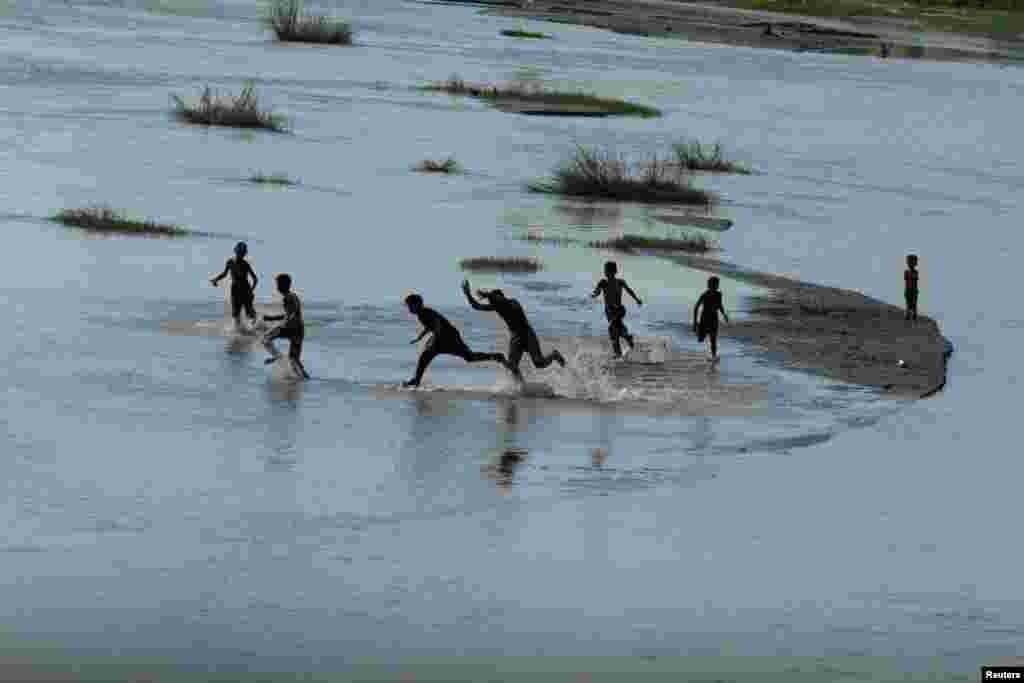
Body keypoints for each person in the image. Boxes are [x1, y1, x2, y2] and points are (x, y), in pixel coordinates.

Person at [462, 279, 566, 382]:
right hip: (516, 337)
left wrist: (489, 295)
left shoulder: (513, 302)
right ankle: (521, 385)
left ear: (501, 298)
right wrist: (468, 294)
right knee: (512, 366)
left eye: (495, 301)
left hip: (527, 334)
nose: (494, 305)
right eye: (493, 303)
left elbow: (502, 302)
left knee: (539, 363)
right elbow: (477, 306)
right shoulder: (497, 306)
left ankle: (554, 355)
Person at [403, 293, 506, 388]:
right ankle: (417, 380)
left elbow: (437, 322)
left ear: (417, 304)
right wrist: (419, 338)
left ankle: (496, 356)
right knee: (425, 356)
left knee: (469, 357)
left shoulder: (426, 312)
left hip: (449, 337)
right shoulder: (420, 315)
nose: (408, 309)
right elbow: (429, 327)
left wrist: (436, 336)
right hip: (442, 337)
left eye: (409, 306)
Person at [262, 273, 310, 379]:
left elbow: (290, 315)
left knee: (265, 338)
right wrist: (278, 320)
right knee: (294, 361)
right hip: (299, 330)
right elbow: (291, 313)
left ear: (283, 285)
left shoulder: (287, 298)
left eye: (277, 284)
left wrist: (274, 320)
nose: (276, 287)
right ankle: (305, 380)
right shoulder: (293, 296)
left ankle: (278, 357)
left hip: (291, 328)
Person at [592, 261, 643, 359]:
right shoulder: (603, 282)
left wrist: (637, 299)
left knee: (612, 328)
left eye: (607, 270)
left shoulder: (619, 282)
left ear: (614, 272)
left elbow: (629, 290)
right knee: (616, 330)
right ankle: (621, 349)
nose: (606, 272)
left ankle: (625, 341)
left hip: (618, 309)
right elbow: (597, 291)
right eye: (606, 270)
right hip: (610, 311)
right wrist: (594, 294)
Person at [210, 242, 259, 331]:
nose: (242, 254)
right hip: (235, 290)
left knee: (250, 313)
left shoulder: (245, 264)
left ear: (245, 253)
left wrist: (251, 290)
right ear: (235, 251)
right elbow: (224, 274)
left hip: (245, 290)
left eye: (243, 252)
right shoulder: (230, 262)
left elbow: (255, 279)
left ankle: (257, 328)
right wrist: (215, 279)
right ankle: (239, 332)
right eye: (240, 252)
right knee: (236, 313)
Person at [693, 276, 730, 361]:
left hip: (714, 319)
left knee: (713, 339)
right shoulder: (704, 295)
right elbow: (696, 307)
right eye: (712, 285)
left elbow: (720, 305)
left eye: (716, 285)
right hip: (704, 318)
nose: (715, 287)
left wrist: (724, 314)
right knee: (700, 339)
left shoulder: (719, 294)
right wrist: (695, 322)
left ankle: (714, 357)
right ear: (708, 285)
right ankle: (698, 329)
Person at [904, 253, 919, 321]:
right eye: (909, 261)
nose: (910, 263)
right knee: (909, 303)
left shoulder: (914, 272)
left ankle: (913, 314)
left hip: (913, 289)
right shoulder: (907, 272)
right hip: (909, 289)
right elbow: (907, 280)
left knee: (913, 303)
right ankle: (909, 314)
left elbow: (914, 280)